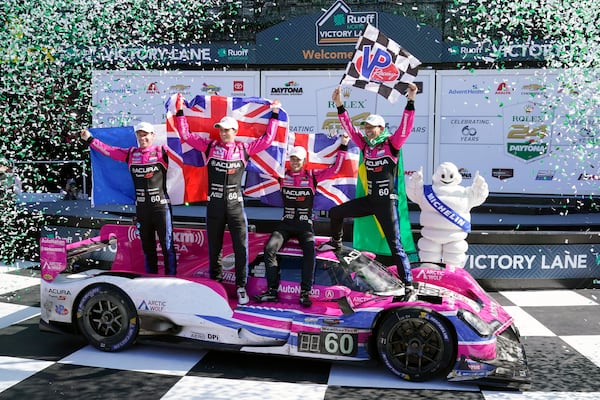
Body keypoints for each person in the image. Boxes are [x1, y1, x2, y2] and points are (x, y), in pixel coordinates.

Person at [173, 95, 281, 305]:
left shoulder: (243, 149)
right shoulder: (209, 146)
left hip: (235, 206)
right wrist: (179, 111)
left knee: (241, 247)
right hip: (214, 205)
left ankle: (241, 287)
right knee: (215, 248)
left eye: (227, 129)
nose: (223, 132)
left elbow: (268, 139)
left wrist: (275, 113)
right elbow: (185, 135)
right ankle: (215, 285)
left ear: (235, 131)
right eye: (221, 129)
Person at [320, 83, 418, 292]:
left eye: (371, 126)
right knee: (335, 212)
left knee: (395, 245)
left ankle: (408, 284)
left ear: (381, 129)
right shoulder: (365, 145)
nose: (367, 129)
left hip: (387, 203)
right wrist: (339, 105)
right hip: (371, 201)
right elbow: (349, 128)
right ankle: (335, 243)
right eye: (366, 126)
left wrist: (410, 101)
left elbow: (406, 127)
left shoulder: (392, 144)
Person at [255, 136, 350, 307]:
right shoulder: (282, 175)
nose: (295, 162)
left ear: (304, 161)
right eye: (292, 159)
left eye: (298, 159)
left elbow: (336, 169)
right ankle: (272, 291)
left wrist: (343, 146)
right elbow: (263, 162)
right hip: (286, 224)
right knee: (269, 249)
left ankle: (305, 292)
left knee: (310, 252)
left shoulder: (312, 176)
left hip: (305, 225)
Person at [80, 122, 178, 275]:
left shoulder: (162, 151)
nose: (142, 137)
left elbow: (182, 150)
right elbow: (109, 151)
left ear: (153, 136)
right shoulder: (131, 153)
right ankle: (150, 279)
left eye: (145, 134)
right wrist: (90, 140)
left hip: (161, 207)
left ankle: (171, 280)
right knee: (148, 248)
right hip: (142, 209)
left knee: (167, 246)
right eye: (139, 134)